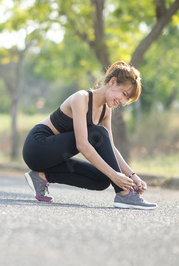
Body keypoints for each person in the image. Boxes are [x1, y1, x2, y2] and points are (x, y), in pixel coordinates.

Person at [22, 60, 157, 209]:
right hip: (38, 146)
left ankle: (41, 177)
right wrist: (116, 177)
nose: (123, 101)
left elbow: (110, 148)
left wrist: (132, 177)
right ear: (112, 82)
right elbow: (82, 144)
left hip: (55, 158)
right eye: (124, 94)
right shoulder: (81, 98)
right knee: (99, 134)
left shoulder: (106, 111)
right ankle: (124, 194)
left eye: (127, 99)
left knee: (102, 179)